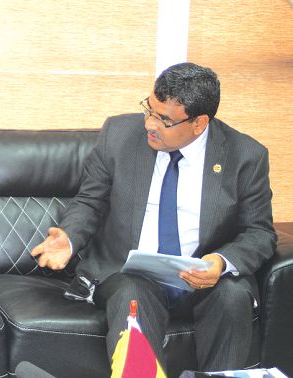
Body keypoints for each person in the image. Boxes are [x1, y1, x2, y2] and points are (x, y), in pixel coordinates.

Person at [31, 62, 276, 373]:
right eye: (149, 109)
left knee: (232, 295)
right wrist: (68, 237)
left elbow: (259, 232)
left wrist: (220, 262)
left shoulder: (245, 156)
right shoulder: (119, 135)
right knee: (134, 292)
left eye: (164, 119)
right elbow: (89, 201)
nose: (149, 123)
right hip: (130, 273)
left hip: (201, 276)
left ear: (199, 123)